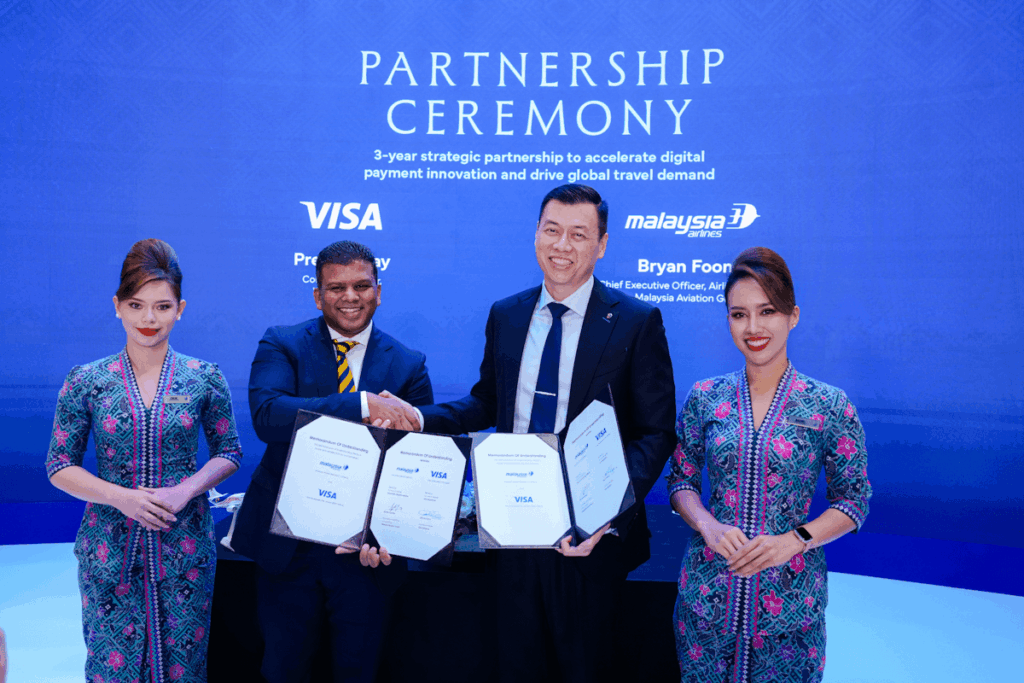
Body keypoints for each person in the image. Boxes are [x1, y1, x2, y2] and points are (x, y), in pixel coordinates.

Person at [390, 184, 677, 683]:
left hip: (588, 542)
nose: (562, 245)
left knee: (586, 670)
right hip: (511, 532)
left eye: (578, 234)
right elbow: (487, 401)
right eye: (552, 230)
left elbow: (654, 433)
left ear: (602, 244)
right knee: (514, 667)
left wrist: (603, 513)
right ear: (536, 234)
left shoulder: (635, 321)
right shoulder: (507, 314)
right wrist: (419, 418)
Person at [230, 240, 433, 683]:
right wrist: (360, 404)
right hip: (288, 547)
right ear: (318, 295)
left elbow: (416, 463)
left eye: (362, 285)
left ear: (379, 291)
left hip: (364, 556)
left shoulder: (408, 364)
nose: (350, 296)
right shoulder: (282, 343)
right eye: (336, 287)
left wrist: (386, 533)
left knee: (358, 673)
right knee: (283, 671)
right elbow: (268, 416)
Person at [668, 247, 872, 682]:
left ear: (792, 316)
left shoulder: (829, 405)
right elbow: (681, 481)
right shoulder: (705, 397)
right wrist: (708, 525)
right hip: (707, 603)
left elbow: (854, 501)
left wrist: (794, 541)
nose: (753, 328)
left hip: (791, 609)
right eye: (739, 314)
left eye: (768, 311)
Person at [46, 238, 242, 683]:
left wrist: (186, 490)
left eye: (162, 306)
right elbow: (59, 464)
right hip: (108, 549)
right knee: (110, 667)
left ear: (180, 309)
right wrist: (123, 498)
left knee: (184, 669)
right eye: (136, 305)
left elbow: (229, 451)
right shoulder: (87, 380)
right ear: (117, 306)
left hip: (185, 546)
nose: (149, 319)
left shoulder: (204, 377)